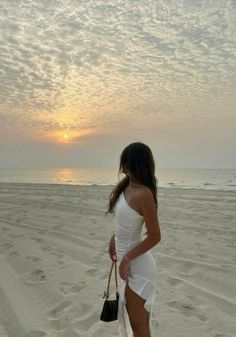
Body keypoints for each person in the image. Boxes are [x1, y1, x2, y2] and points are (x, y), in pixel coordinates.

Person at [106, 142, 161, 337]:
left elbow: (155, 236)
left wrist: (127, 258)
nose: (124, 168)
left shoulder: (144, 194)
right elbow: (126, 222)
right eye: (124, 163)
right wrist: (114, 237)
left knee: (139, 326)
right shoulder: (125, 187)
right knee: (132, 322)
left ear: (139, 164)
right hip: (126, 261)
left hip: (138, 266)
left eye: (128, 163)